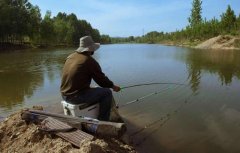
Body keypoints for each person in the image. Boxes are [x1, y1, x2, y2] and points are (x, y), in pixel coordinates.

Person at [60, 36, 121, 121]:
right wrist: (113, 86)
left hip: (64, 95)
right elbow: (102, 81)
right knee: (107, 93)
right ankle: (103, 121)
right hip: (74, 97)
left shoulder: (70, 57)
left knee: (96, 89)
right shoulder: (89, 61)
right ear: (90, 49)